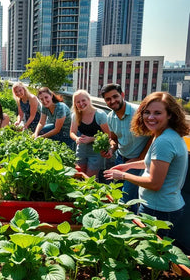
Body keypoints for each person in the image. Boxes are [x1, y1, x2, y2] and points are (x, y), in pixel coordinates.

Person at [104, 92, 189, 238]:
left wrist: (123, 175)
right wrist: (127, 166)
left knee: (153, 253)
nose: (150, 117)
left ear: (170, 115)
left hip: (159, 210)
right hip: (162, 206)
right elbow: (152, 163)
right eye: (147, 112)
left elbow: (155, 183)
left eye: (157, 113)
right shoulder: (164, 134)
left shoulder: (164, 141)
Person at [100, 84, 150, 213]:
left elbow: (153, 136)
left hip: (137, 162)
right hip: (120, 159)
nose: (112, 101)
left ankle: (129, 226)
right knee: (118, 192)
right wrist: (111, 149)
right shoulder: (110, 117)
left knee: (126, 198)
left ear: (122, 95)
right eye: (108, 99)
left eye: (115, 96)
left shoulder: (138, 113)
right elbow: (114, 139)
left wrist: (140, 158)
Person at [70, 90, 110, 177]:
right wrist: (76, 138)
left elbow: (109, 135)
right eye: (78, 102)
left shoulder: (100, 115)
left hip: (96, 150)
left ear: (89, 100)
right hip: (81, 149)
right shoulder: (75, 115)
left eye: (83, 100)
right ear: (75, 104)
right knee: (78, 175)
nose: (81, 103)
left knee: (90, 178)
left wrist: (91, 139)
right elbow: (72, 132)